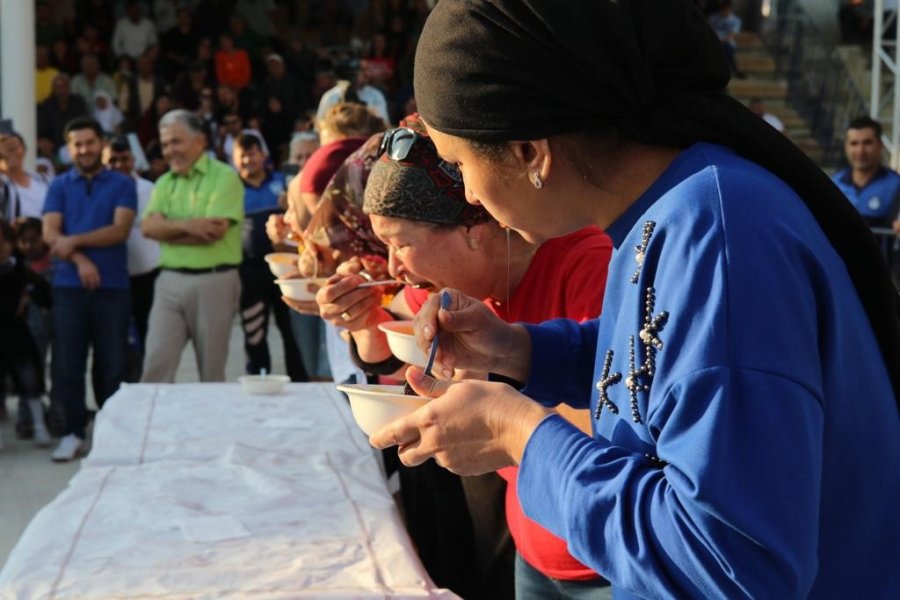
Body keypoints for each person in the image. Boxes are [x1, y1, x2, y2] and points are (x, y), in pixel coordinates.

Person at [368, 2, 900, 599]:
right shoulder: (668, 210)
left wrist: (520, 435)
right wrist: (521, 351)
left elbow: (730, 567)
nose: (466, 191)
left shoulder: (717, 236)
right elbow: (668, 364)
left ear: (529, 151)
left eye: (460, 163)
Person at [315, 123, 614, 598]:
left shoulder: (588, 264)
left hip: (606, 563)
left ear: (474, 231)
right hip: (532, 550)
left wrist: (503, 421)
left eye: (400, 243)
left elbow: (616, 427)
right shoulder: (448, 288)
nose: (392, 268)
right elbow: (385, 342)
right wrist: (356, 314)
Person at [42, 117, 136, 462]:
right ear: (70, 149)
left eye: (90, 142)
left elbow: (119, 231)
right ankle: (73, 431)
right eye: (77, 144)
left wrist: (73, 241)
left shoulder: (122, 184)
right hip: (68, 286)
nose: (84, 150)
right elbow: (50, 234)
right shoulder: (58, 185)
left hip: (112, 285)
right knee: (68, 363)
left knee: (112, 364)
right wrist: (81, 259)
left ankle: (110, 435)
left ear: (101, 144)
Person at [140, 109, 243, 383]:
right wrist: (189, 227)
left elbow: (213, 232)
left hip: (215, 282)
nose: (169, 150)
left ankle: (212, 427)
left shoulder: (224, 177)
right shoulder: (163, 183)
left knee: (212, 375)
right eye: (164, 144)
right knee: (155, 368)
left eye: (176, 141)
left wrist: (168, 229)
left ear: (199, 141)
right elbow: (147, 228)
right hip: (169, 282)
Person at [233, 132, 307, 381]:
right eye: (242, 155)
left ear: (263, 155)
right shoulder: (231, 189)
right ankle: (258, 380)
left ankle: (301, 382)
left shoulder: (282, 182)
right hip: (250, 273)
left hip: (287, 269)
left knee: (292, 331)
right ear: (234, 159)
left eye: (252, 153)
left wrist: (289, 204)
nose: (247, 160)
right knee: (254, 331)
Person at [102, 137, 159, 381]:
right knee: (115, 342)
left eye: (124, 159)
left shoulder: (150, 189)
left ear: (133, 161)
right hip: (114, 277)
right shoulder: (99, 190)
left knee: (151, 337)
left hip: (149, 275)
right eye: (112, 161)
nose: (118, 165)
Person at [0, 220, 53, 450]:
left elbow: (43, 294)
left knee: (30, 382)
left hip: (18, 334)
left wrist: (30, 295)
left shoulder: (20, 268)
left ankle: (39, 425)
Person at [832, 115, 900, 230]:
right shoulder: (833, 183)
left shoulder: (896, 184)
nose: (860, 151)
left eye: (867, 143)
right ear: (846, 147)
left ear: (880, 145)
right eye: (854, 143)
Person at [316, 61, 390, 125]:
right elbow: (320, 124)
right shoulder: (331, 96)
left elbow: (383, 123)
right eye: (361, 71)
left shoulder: (375, 95)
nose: (366, 74)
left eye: (366, 70)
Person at [0, 131, 50, 220]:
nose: (11, 152)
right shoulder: (2, 186)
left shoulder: (43, 180)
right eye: (6, 149)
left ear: (24, 149)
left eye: (14, 147)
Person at [708, 0, 745, 79]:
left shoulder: (736, 20)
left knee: (726, 47)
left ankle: (730, 70)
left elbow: (732, 35)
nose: (725, 11)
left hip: (727, 42)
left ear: (730, 9)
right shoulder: (713, 18)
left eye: (727, 9)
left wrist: (721, 40)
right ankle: (736, 69)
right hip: (714, 41)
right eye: (723, 9)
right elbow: (709, 31)